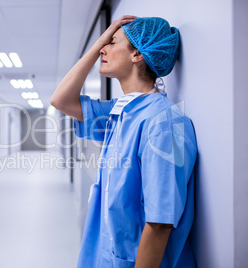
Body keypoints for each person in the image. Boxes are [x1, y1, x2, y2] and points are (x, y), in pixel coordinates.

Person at [50, 16, 197, 268]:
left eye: (111, 42)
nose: (103, 50)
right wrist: (102, 38)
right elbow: (61, 100)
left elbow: (160, 223)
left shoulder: (162, 124)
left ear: (137, 54)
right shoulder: (119, 114)